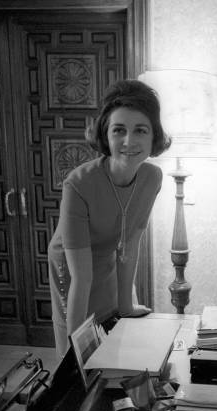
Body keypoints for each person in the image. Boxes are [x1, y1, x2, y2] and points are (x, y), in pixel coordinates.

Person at [48, 80, 171, 358]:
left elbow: (131, 241)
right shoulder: (78, 183)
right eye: (119, 130)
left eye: (140, 130)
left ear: (154, 136)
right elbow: (81, 276)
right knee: (82, 339)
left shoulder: (153, 177)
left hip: (105, 252)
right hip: (69, 264)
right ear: (106, 135)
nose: (129, 141)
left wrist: (126, 307)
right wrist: (75, 349)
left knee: (114, 323)